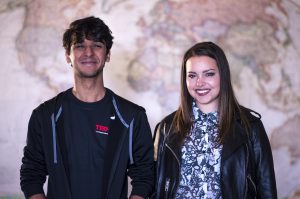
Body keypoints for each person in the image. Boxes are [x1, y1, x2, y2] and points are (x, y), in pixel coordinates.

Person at [20, 16, 154, 199]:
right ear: (68, 55)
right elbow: (31, 174)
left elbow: (145, 176)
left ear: (107, 55)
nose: (88, 52)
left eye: (97, 45)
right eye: (80, 46)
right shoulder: (45, 116)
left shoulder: (132, 116)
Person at [152, 41, 277, 198]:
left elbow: (267, 188)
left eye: (209, 74)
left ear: (222, 75)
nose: (200, 82)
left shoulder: (250, 126)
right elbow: (154, 185)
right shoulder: (166, 127)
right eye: (192, 75)